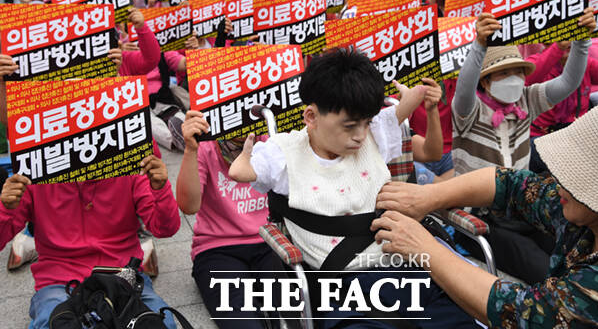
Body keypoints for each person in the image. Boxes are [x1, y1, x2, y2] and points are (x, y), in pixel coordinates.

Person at [229, 49, 480, 328]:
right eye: (349, 126)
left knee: (457, 320)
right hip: (341, 287)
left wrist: (424, 96)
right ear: (311, 117)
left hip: (402, 265)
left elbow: (403, 106)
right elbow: (240, 172)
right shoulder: (285, 153)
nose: (360, 135)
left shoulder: (374, 135)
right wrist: (244, 155)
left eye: (366, 122)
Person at [373, 101, 598, 327]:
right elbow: (509, 184)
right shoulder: (585, 208)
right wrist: (429, 196)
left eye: (573, 175)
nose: (557, 180)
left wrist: (424, 247)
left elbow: (519, 309)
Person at [450, 10, 594, 284]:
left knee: (572, 250)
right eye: (504, 73)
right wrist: (479, 45)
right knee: (541, 269)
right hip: (480, 218)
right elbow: (463, 88)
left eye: (518, 71)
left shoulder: (527, 101)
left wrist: (581, 41)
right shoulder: (468, 112)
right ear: (486, 80)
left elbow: (569, 82)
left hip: (524, 209)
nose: (513, 78)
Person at [0, 154, 181, 329]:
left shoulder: (130, 164)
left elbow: (166, 229)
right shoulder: (34, 174)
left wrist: (160, 188)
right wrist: (5, 208)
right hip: (59, 284)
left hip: (122, 277)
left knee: (161, 323)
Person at [177, 112, 293, 328]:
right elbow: (188, 206)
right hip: (217, 248)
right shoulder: (205, 145)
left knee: (294, 316)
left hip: (272, 241)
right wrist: (190, 150)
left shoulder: (273, 138)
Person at [526, 19, 598, 173]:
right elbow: (531, 76)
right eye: (556, 38)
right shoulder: (536, 62)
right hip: (541, 139)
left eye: (570, 37)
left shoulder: (586, 65)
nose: (567, 42)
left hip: (575, 138)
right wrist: (558, 47)